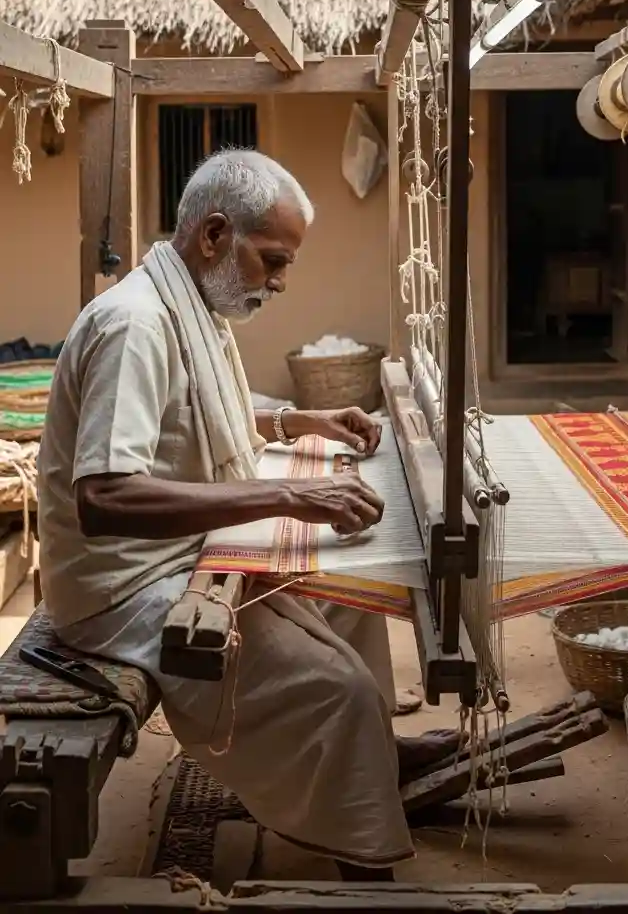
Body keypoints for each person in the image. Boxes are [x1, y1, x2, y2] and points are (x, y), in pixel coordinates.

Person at [37, 149, 458, 880]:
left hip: (185, 550)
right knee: (339, 692)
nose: (281, 282)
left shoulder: (191, 306)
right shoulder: (134, 325)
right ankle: (365, 855)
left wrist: (301, 421)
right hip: (123, 588)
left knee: (354, 604)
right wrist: (292, 494)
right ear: (214, 235)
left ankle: (371, 760)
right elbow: (106, 498)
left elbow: (204, 417)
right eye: (273, 260)